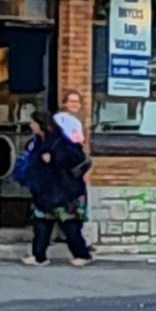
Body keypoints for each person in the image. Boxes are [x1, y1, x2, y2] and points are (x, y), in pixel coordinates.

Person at [13, 109, 94, 264]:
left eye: (33, 122)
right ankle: (39, 256)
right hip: (45, 192)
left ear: (41, 125)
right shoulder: (37, 142)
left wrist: (54, 157)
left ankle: (82, 255)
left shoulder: (59, 141)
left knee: (69, 225)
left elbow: (75, 157)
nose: (31, 125)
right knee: (41, 224)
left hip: (65, 192)